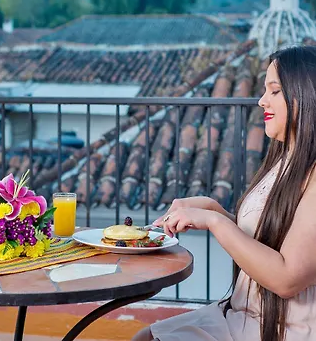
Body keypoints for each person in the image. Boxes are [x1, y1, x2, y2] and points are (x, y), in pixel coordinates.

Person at [132, 45, 316, 341]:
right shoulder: (285, 160)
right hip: (246, 312)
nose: (261, 100)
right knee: (145, 337)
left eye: (274, 91)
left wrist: (215, 222)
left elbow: (287, 279)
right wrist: (213, 209)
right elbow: (269, 238)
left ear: (305, 95)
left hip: (286, 326)